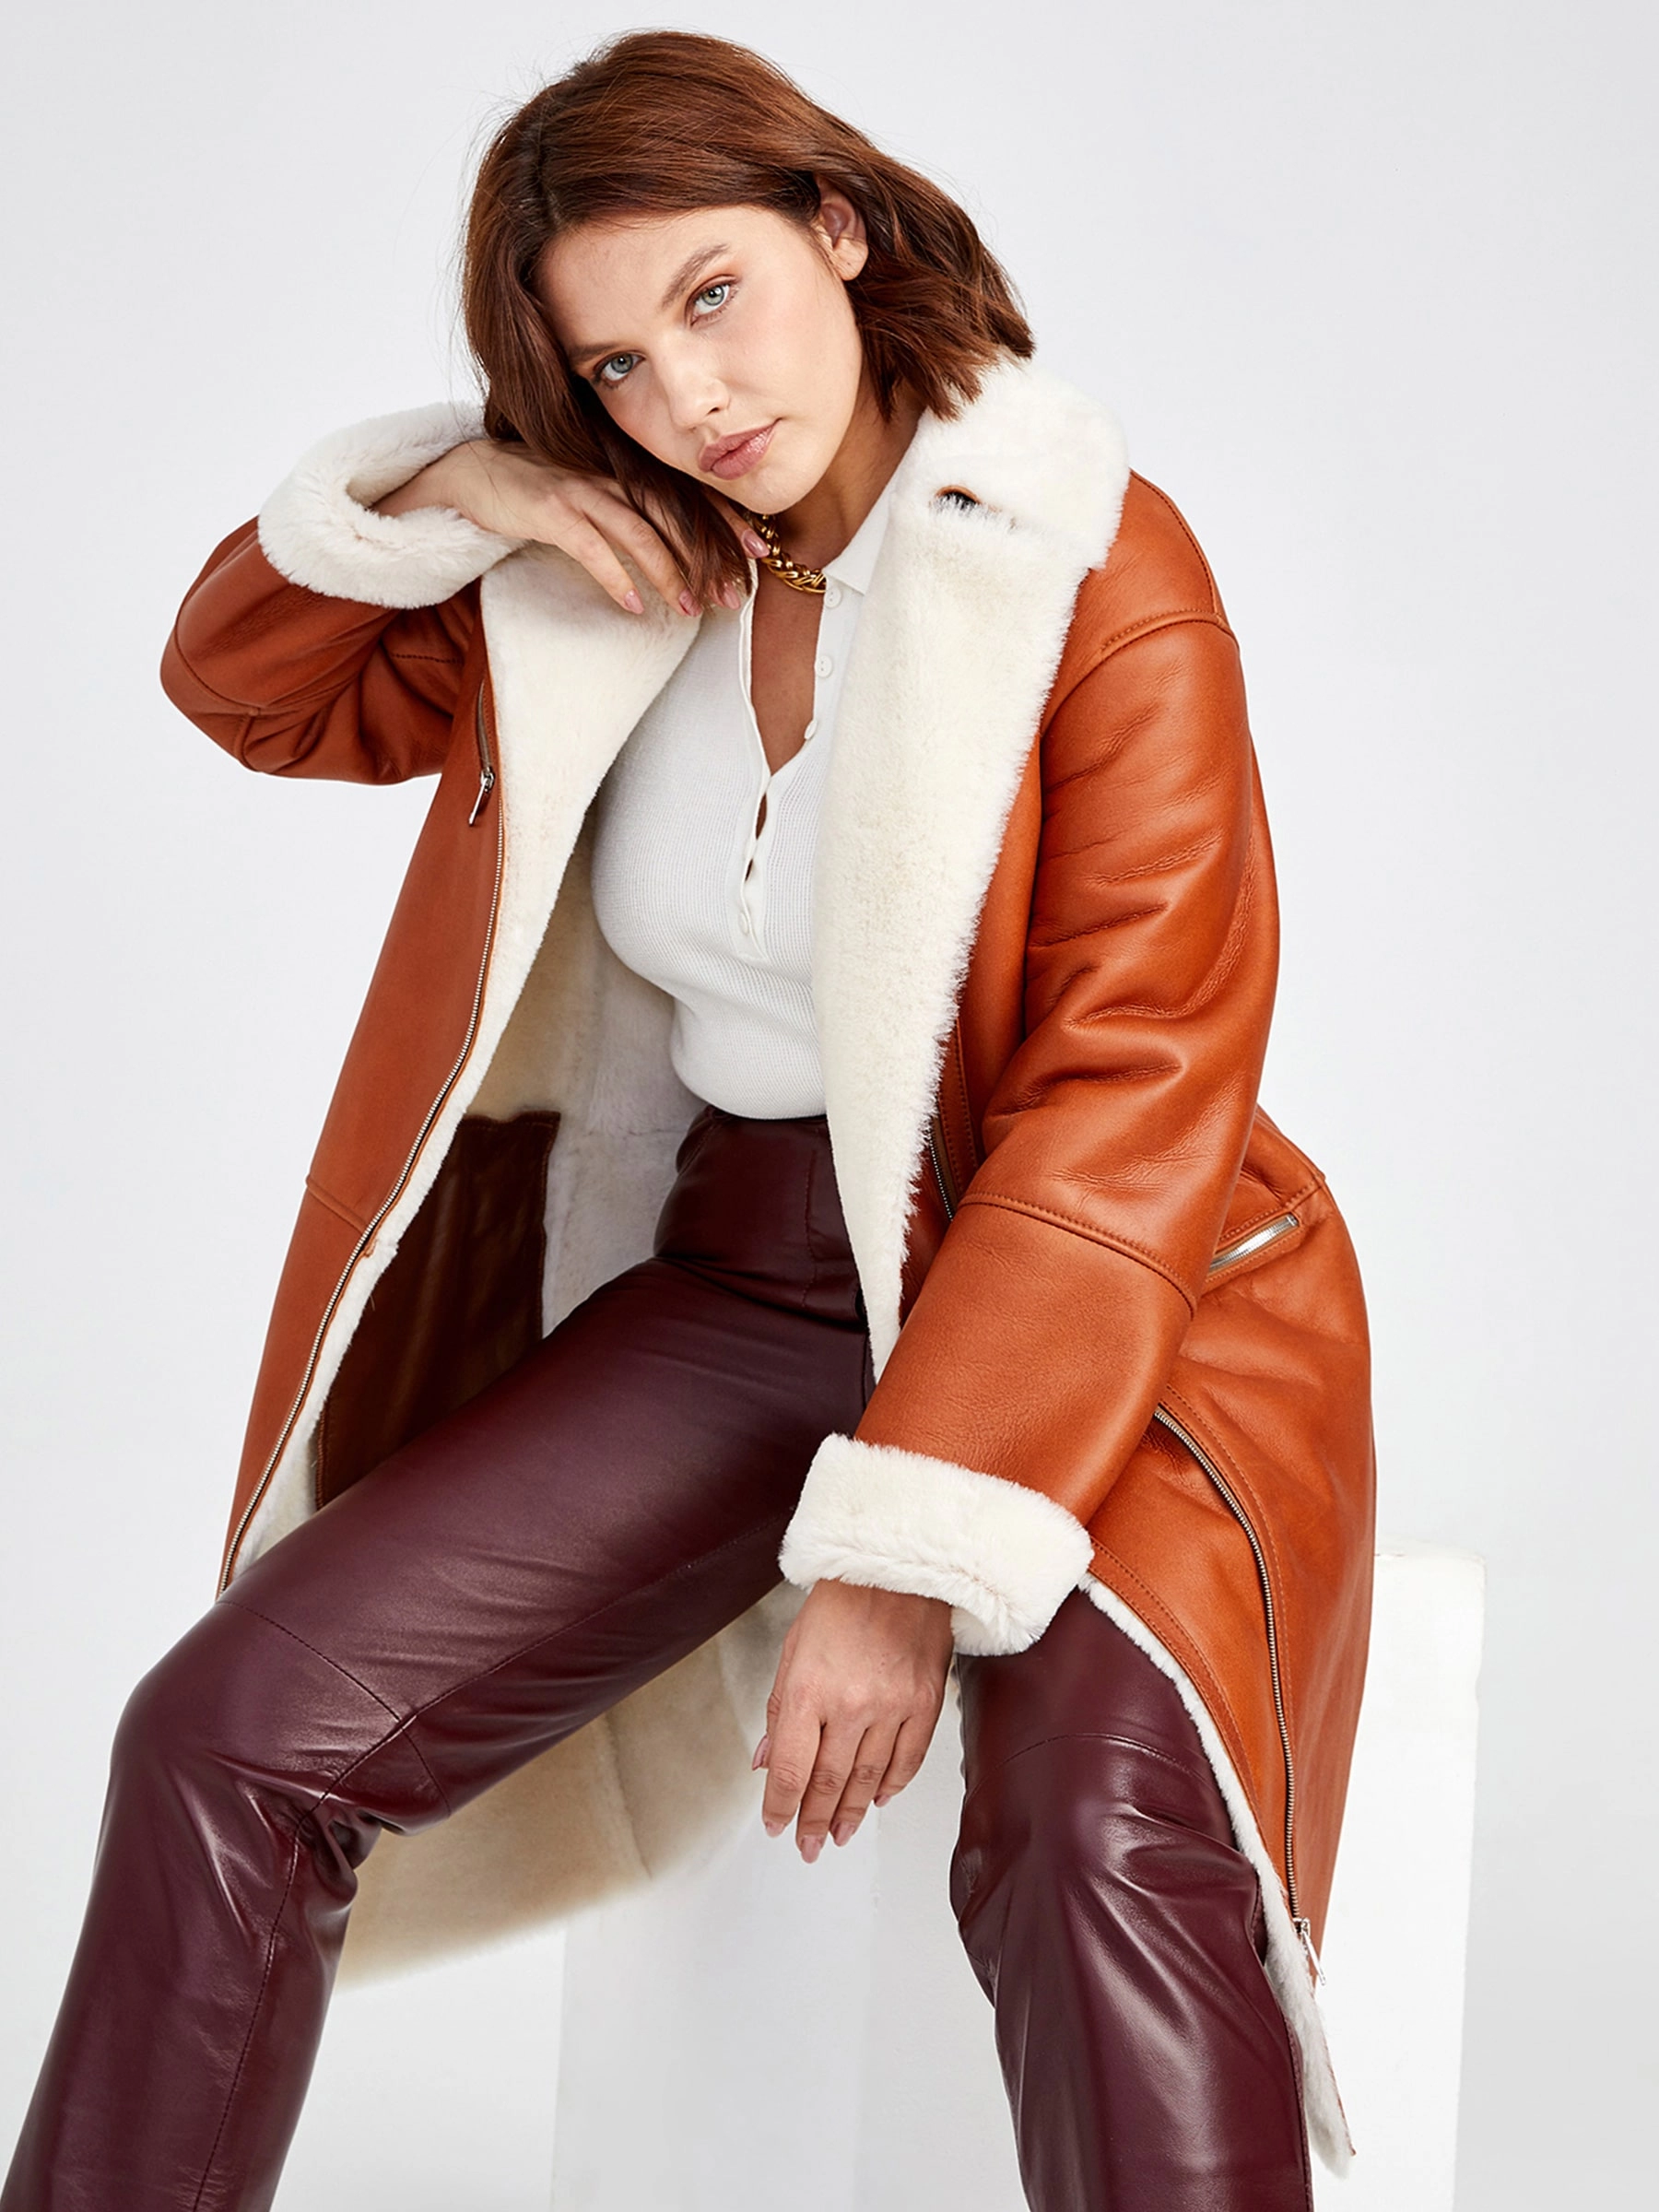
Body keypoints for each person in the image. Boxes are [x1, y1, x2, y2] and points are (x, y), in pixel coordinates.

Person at [1, 29, 1375, 2212]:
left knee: (1088, 1833)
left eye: (715, 295)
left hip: (1107, 1297)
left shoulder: (1077, 561)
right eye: (618, 366)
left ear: (841, 226)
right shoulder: (617, 571)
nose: (693, 396)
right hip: (751, 1289)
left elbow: (1131, 1081)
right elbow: (248, 685)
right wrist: (464, 491)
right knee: (225, 1738)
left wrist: (902, 1558)